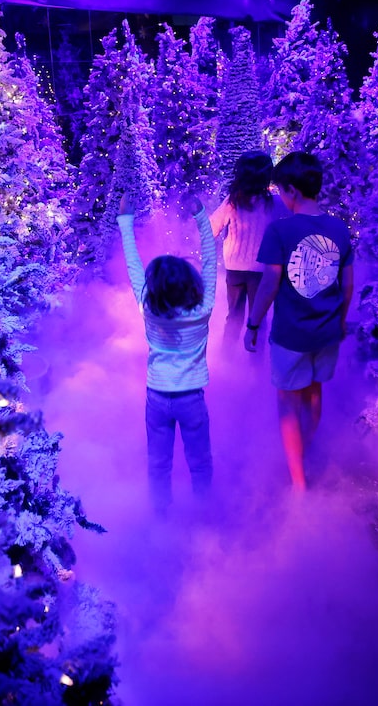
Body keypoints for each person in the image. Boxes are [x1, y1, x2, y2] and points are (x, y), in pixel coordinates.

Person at [243, 151, 354, 492]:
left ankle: (298, 483)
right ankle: (308, 447)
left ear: (292, 190)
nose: (278, 196)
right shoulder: (339, 228)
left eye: (279, 190)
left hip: (291, 335)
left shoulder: (280, 231)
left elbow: (269, 283)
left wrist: (253, 324)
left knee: (288, 401)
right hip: (326, 333)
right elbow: (347, 285)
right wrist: (340, 320)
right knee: (314, 390)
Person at [116, 191, 217, 515]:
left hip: (157, 398)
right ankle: (204, 513)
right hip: (191, 399)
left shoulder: (149, 309)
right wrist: (201, 216)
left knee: (158, 463)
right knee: (200, 461)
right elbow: (211, 260)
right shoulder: (204, 308)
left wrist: (125, 219)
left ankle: (161, 517)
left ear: (152, 287)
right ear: (192, 284)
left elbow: (133, 264)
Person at [207, 151, 279, 341]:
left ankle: (227, 359)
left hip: (235, 268)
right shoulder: (273, 203)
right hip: (261, 270)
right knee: (257, 320)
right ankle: (254, 365)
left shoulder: (232, 202)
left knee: (234, 317)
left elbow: (210, 229)